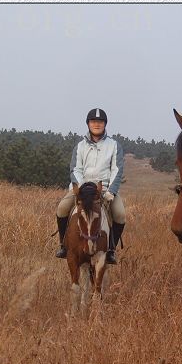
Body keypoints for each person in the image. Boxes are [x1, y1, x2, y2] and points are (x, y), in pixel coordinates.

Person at [55, 108, 125, 265]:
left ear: (105, 124)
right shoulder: (80, 146)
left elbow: (117, 170)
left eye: (100, 122)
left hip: (105, 189)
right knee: (61, 209)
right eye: (93, 121)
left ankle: (111, 250)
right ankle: (64, 246)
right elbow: (75, 169)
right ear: (88, 124)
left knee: (120, 215)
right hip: (82, 189)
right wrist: (80, 190)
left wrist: (111, 191)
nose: (97, 124)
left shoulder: (114, 145)